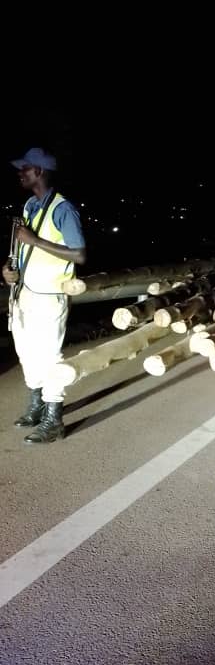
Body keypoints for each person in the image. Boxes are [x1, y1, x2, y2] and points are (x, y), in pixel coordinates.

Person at [2, 147, 86, 444]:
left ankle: (54, 419)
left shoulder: (63, 209)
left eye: (24, 168)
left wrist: (34, 240)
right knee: (26, 352)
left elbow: (79, 254)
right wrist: (10, 271)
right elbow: (23, 250)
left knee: (49, 356)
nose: (20, 173)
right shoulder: (29, 205)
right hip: (25, 293)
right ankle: (36, 406)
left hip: (50, 295)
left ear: (38, 171)